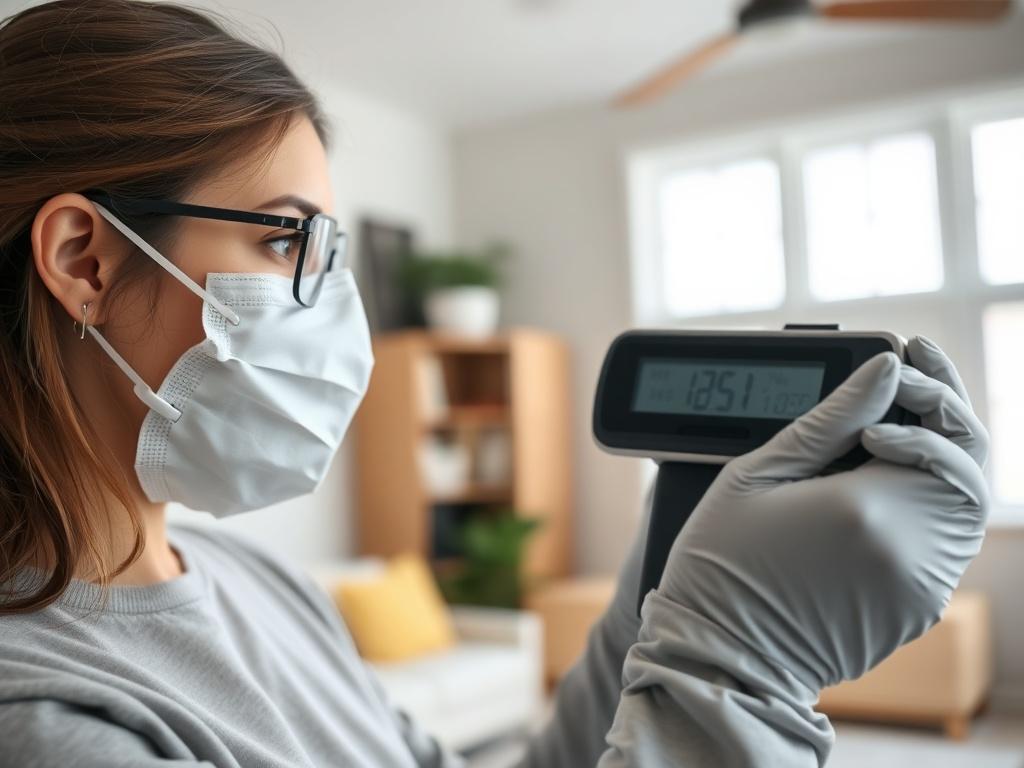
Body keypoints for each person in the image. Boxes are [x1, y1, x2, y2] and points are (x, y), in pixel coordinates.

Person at [0, 2, 989, 766]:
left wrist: (662, 589)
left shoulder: (259, 586)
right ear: (87, 259)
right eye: (290, 238)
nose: (335, 307)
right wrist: (745, 662)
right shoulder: (46, 722)